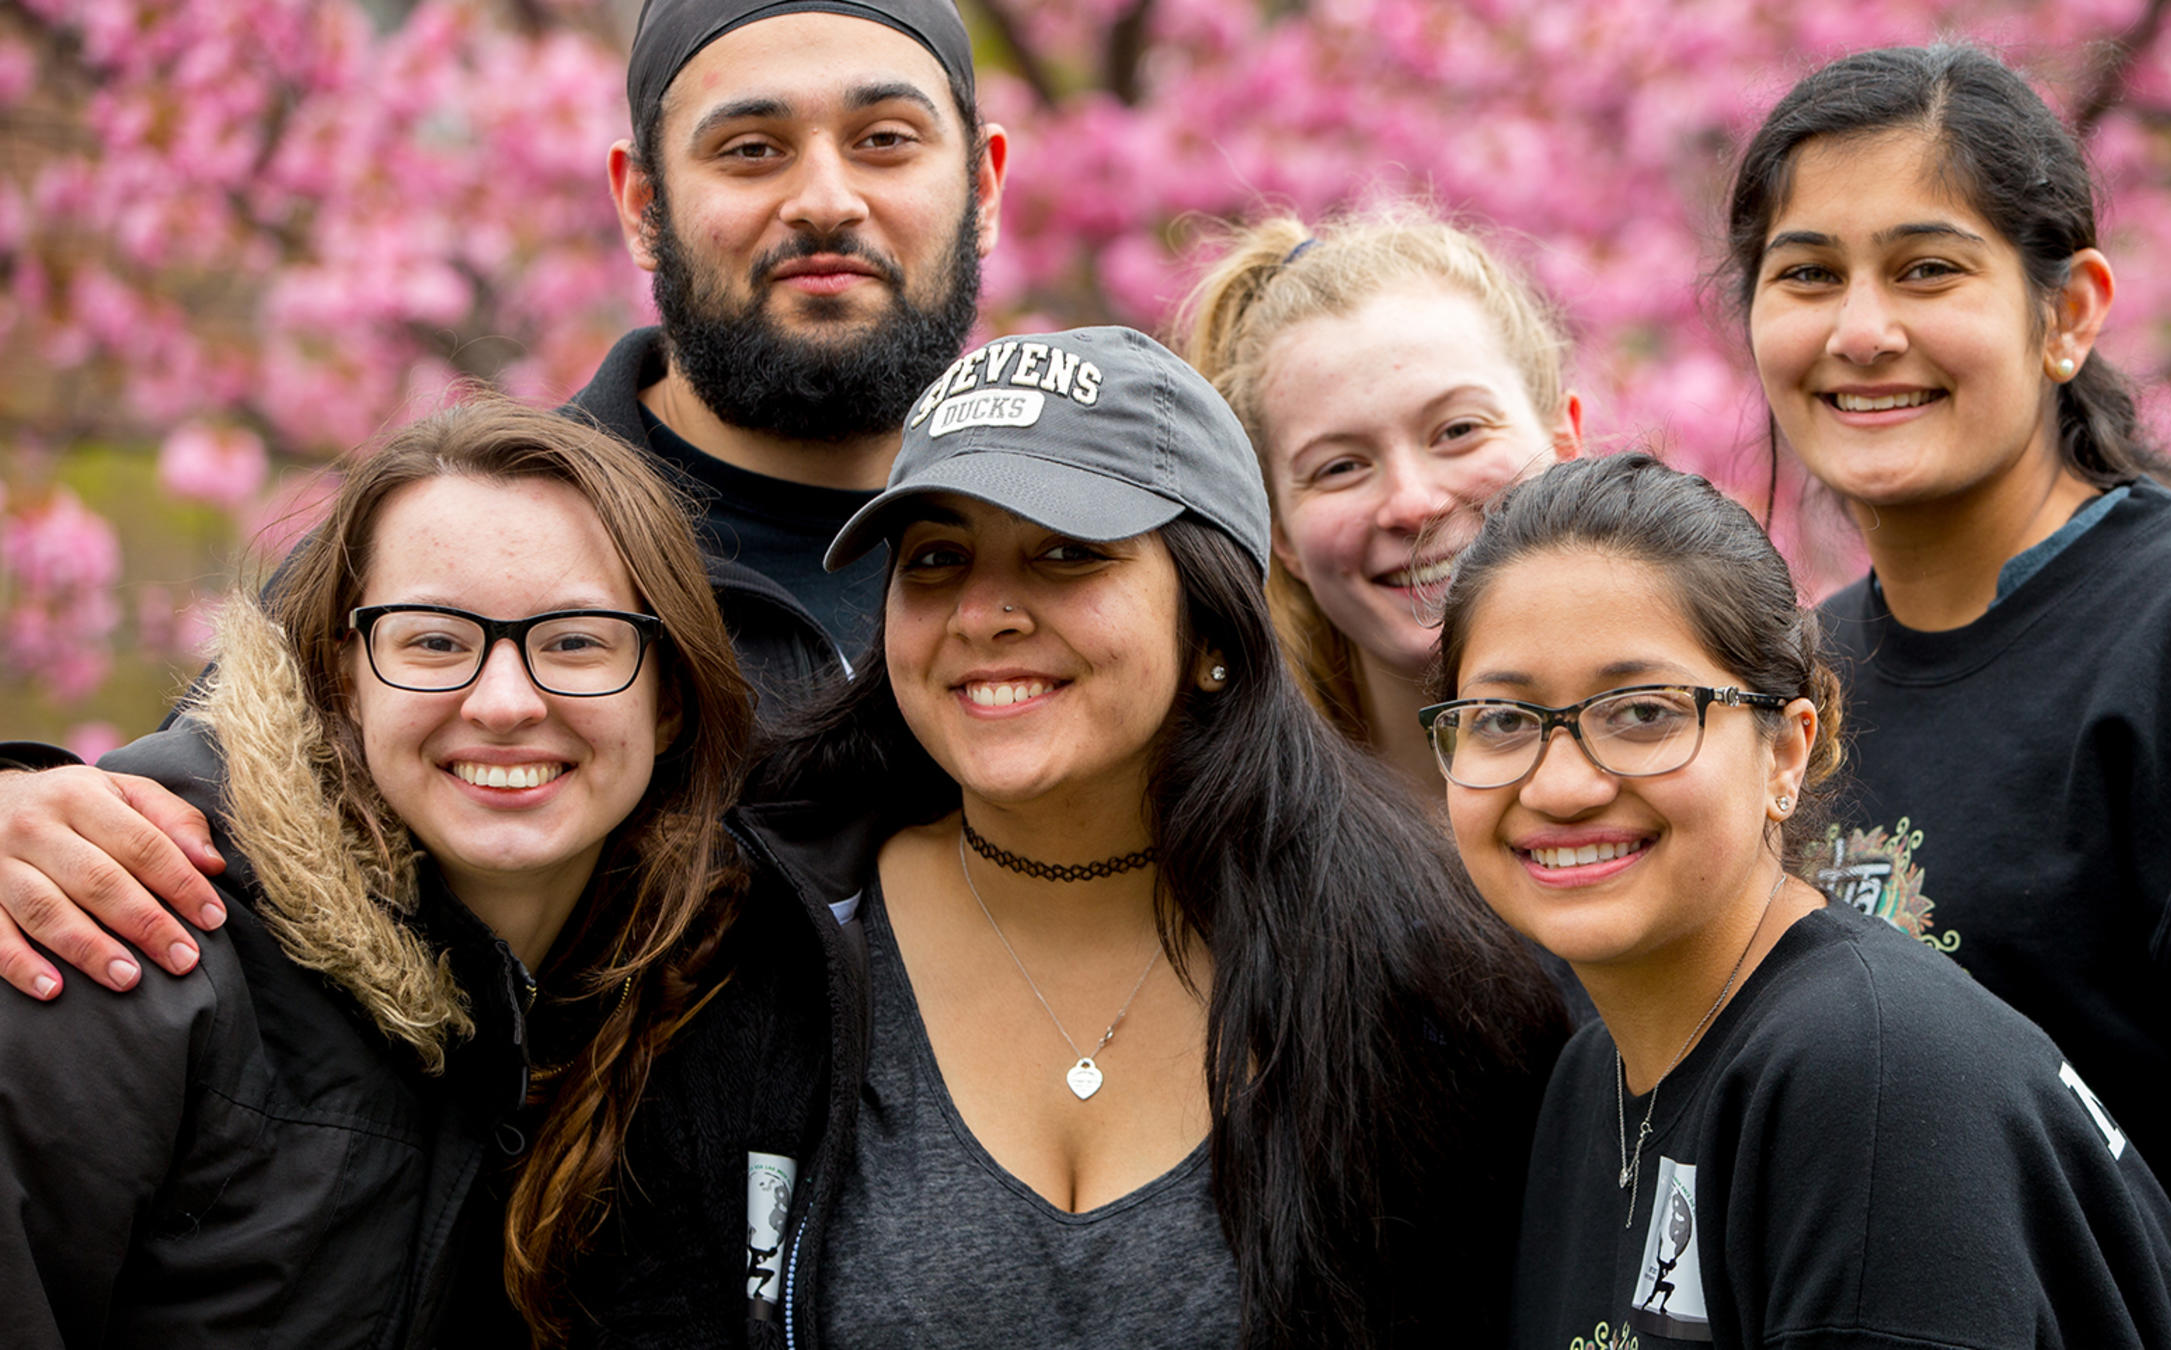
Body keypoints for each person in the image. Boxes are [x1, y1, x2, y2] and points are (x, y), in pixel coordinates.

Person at [563, 326, 1571, 1346]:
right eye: (937, 560)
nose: (985, 612)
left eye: (1065, 553)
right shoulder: (745, 941)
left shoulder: (1420, 975)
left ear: (1214, 627)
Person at [0, 0, 1008, 998]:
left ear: (984, 186)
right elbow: (173, 805)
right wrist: (21, 804)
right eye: (750, 149)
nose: (825, 198)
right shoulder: (460, 548)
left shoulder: (1074, 557)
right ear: (641, 208)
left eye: (885, 141)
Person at [1724, 43, 2171, 1344]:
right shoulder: (1795, 688)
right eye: (1808, 274)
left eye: (1928, 268)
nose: (1862, 330)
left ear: (2070, 312)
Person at [0, 398, 757, 1347]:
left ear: (671, 697)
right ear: (342, 677)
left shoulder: (694, 1001)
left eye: (575, 642)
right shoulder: (119, 924)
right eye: (435, 641)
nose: (506, 702)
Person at [1426, 452, 2171, 1349]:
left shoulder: (1871, 1081)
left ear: (1786, 753)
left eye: (1644, 712)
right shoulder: (1589, 1081)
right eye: (1500, 720)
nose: (1561, 786)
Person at [1178, 206, 1582, 790]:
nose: (1412, 504)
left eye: (1458, 430)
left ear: (1564, 438)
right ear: (1279, 534)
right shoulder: (1233, 845)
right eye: (1340, 467)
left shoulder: (1729, 751)